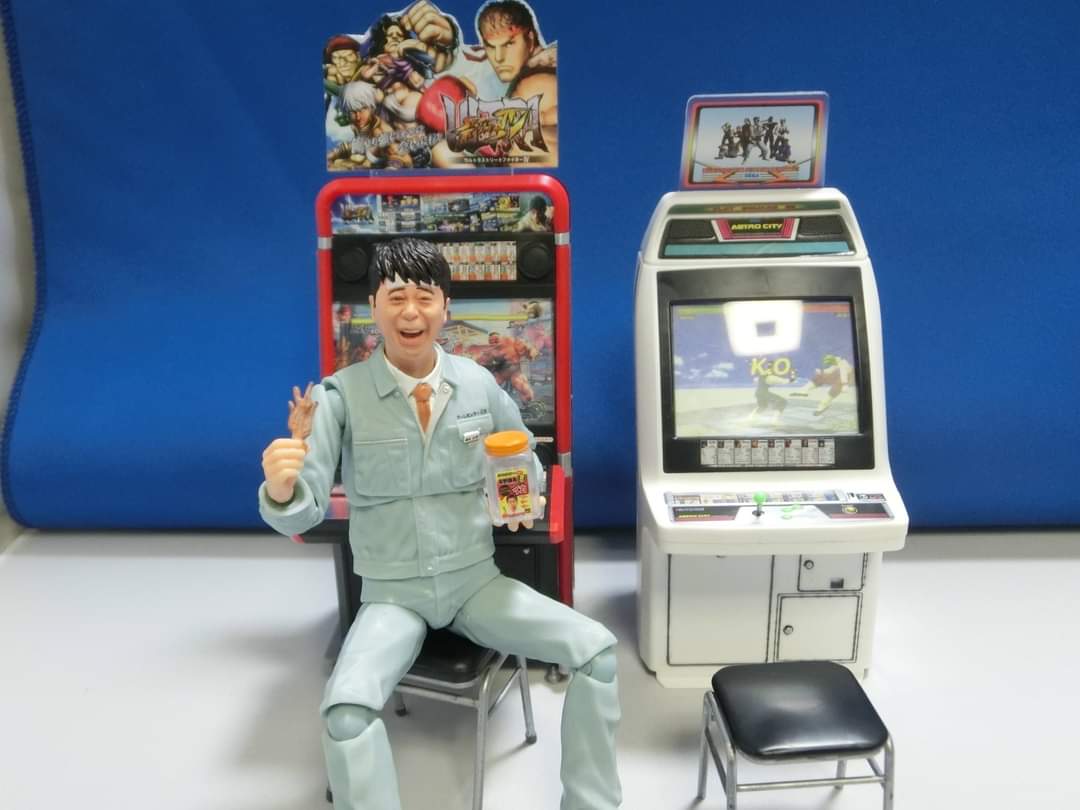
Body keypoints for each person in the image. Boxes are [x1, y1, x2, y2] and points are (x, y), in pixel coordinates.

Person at [259, 237, 621, 810]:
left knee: (597, 653)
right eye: (395, 297)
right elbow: (303, 510)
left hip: (474, 584)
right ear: (372, 308)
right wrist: (282, 489)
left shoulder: (478, 384)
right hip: (392, 596)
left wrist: (519, 489)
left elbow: (522, 455)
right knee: (346, 715)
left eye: (424, 297)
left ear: (446, 307)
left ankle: (591, 803)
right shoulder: (340, 399)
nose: (411, 312)